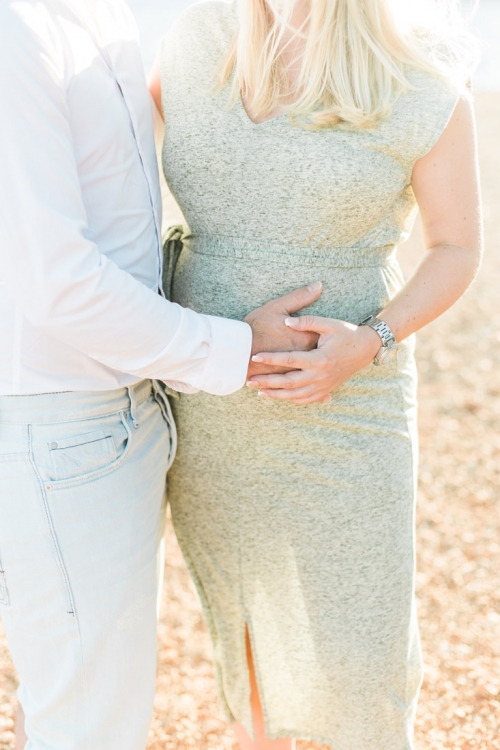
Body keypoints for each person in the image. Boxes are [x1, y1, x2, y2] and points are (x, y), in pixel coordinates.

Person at [150, 0, 482, 747]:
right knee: (247, 624)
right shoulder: (198, 37)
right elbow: (111, 166)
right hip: (211, 396)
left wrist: (371, 341)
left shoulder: (418, 74)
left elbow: (457, 247)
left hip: (348, 409)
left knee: (358, 656)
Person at [0, 1, 322, 748]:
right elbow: (58, 283)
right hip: (59, 422)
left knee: (67, 698)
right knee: (89, 724)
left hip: (112, 413)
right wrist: (236, 349)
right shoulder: (17, 27)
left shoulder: (100, 17)